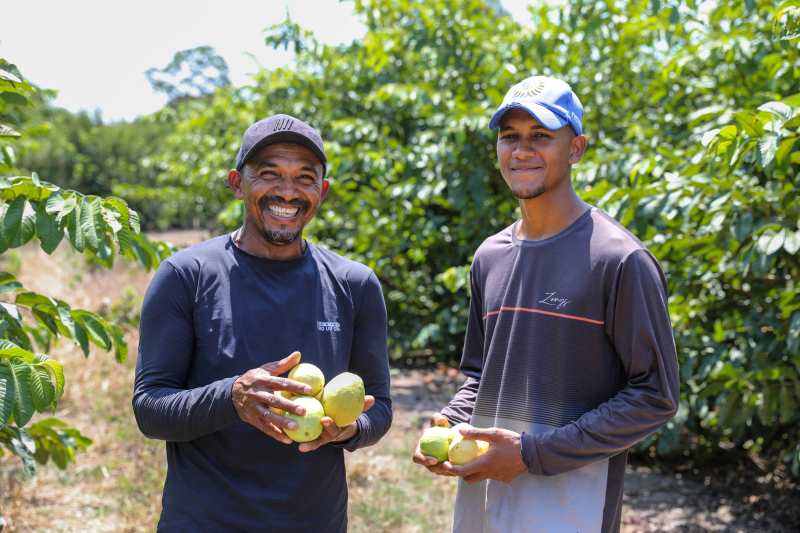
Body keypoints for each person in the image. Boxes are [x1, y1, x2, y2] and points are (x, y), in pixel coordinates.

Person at [412, 76, 679, 533]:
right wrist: (451, 420)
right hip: (483, 498)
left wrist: (532, 454)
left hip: (572, 506)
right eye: (509, 136)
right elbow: (481, 374)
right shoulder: (489, 257)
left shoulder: (618, 258)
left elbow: (655, 395)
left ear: (575, 148)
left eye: (541, 136)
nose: (521, 150)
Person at [133, 114, 392, 532]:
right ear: (238, 183)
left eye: (305, 178)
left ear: (321, 192)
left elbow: (379, 406)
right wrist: (232, 397)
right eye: (269, 174)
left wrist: (345, 430)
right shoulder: (185, 276)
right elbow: (150, 409)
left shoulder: (354, 284)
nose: (287, 192)